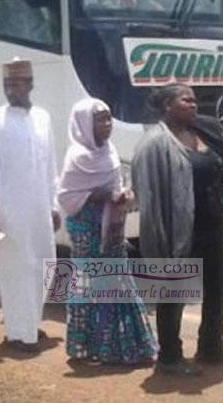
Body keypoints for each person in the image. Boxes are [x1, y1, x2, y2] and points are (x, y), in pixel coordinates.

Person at [132, 84, 223, 376]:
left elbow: (219, 173)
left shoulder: (206, 132)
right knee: (173, 293)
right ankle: (169, 357)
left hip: (213, 227)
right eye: (185, 100)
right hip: (179, 231)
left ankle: (211, 345)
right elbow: (148, 195)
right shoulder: (154, 144)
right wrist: (158, 236)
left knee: (219, 287)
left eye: (194, 100)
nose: (193, 104)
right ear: (167, 106)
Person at [56, 98, 157, 365]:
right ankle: (92, 346)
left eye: (109, 117)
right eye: (100, 119)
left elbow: (116, 183)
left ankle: (128, 345)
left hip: (112, 228)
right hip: (86, 229)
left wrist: (123, 196)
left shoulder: (110, 151)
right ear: (85, 124)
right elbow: (67, 197)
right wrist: (99, 195)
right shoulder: (76, 157)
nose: (107, 124)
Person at [0, 59, 60, 351]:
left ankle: (31, 325)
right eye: (6, 85)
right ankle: (17, 333)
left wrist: (54, 205)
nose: (10, 90)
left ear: (30, 84)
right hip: (10, 210)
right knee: (15, 269)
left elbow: (51, 165)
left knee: (40, 265)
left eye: (16, 84)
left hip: (39, 208)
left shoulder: (43, 117)